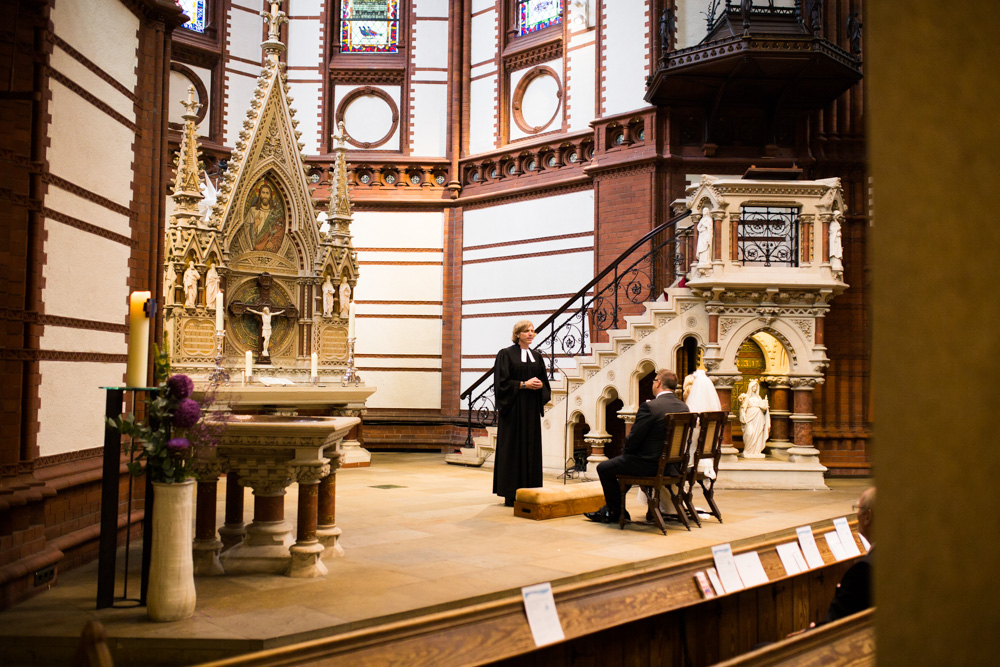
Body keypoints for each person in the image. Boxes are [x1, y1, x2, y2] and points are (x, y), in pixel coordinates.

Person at [586, 369, 688, 524]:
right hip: (672, 464)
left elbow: (634, 438)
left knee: (604, 468)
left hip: (650, 464)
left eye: (654, 380)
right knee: (623, 466)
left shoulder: (651, 407)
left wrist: (626, 453)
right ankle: (611, 509)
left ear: (658, 382)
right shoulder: (683, 407)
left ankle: (616, 512)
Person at [492, 320, 551, 507]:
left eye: (533, 331)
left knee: (531, 447)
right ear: (518, 334)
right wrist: (523, 384)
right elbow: (501, 384)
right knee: (513, 448)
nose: (530, 334)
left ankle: (531, 490)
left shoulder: (537, 356)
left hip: (531, 409)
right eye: (526, 331)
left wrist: (541, 385)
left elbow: (544, 381)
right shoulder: (506, 354)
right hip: (513, 409)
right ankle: (510, 493)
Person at [739, 378, 769, 458]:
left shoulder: (759, 398)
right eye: (753, 386)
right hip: (750, 416)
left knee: (758, 434)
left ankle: (757, 451)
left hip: (759, 417)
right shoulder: (747, 398)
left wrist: (765, 407)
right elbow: (743, 408)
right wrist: (743, 415)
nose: (755, 388)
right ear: (750, 387)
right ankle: (748, 450)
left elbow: (763, 408)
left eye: (756, 386)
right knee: (749, 433)